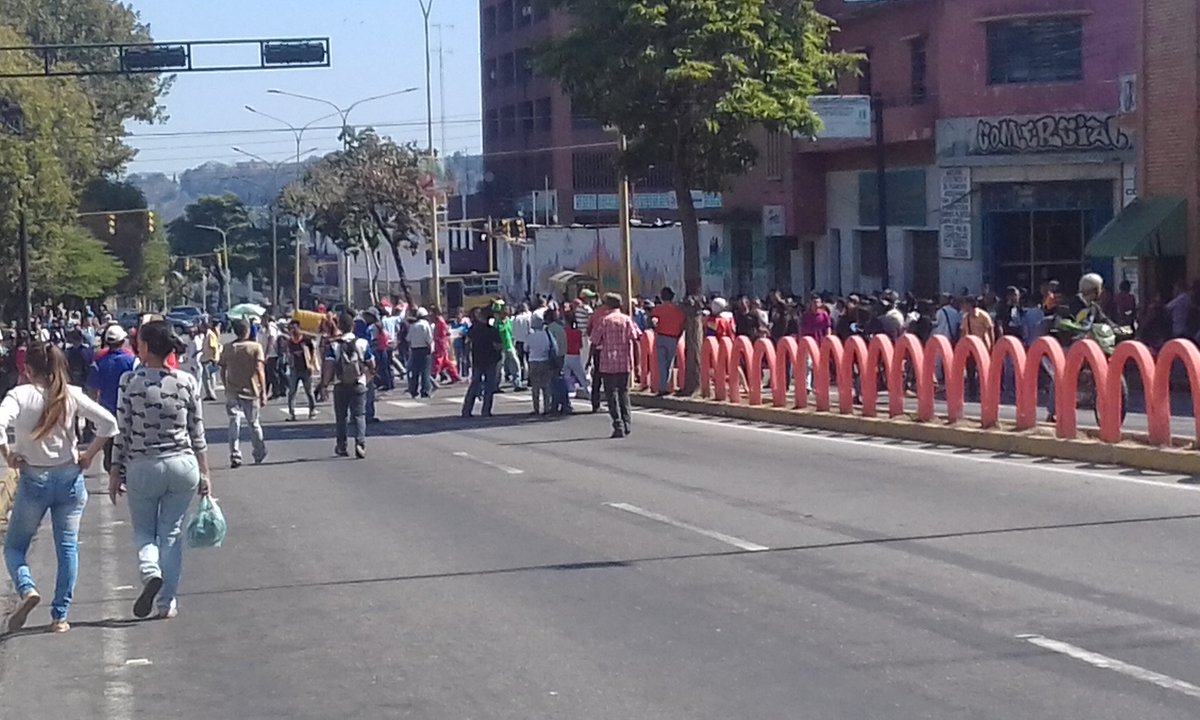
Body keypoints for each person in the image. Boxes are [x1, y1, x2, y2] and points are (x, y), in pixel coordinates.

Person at [1, 343, 118, 633]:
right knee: (67, 547)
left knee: (15, 547)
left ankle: (27, 588)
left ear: (26, 370)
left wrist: (8, 453)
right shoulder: (71, 394)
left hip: (34, 478)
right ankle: (60, 616)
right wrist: (89, 454)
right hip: (69, 477)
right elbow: (109, 423)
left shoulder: (19, 395)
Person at [108, 320, 211, 621]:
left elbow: (122, 429)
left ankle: (150, 571)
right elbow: (197, 432)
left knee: (144, 531)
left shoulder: (130, 381)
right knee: (171, 533)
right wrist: (206, 472)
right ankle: (167, 602)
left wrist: (116, 469)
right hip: (183, 465)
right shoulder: (187, 381)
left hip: (143, 466)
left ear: (146, 347)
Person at [323, 312, 375, 458]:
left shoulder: (334, 345)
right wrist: (368, 378)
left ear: (339, 326)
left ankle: (341, 445)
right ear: (353, 326)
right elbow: (371, 363)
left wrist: (324, 385)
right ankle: (360, 443)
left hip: (340, 384)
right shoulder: (362, 343)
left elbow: (329, 366)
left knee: (341, 417)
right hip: (358, 383)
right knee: (359, 415)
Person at [590, 293, 642, 438]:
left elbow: (594, 342)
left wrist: (590, 360)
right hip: (624, 361)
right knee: (624, 393)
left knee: (611, 394)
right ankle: (627, 423)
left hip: (607, 362)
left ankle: (618, 424)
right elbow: (636, 339)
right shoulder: (627, 320)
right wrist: (637, 363)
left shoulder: (604, 321)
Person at [87, 325, 137, 473]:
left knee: (109, 449)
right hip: (129, 412)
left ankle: (113, 477)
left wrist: (92, 416)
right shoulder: (132, 362)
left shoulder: (99, 363)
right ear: (122, 341)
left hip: (106, 413)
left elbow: (92, 390)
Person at [219, 319, 267, 468]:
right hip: (251, 390)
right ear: (247, 331)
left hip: (233, 390)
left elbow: (222, 369)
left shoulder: (228, 347)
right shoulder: (255, 347)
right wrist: (263, 391)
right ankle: (259, 451)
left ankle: (235, 453)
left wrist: (226, 385)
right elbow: (260, 370)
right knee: (254, 423)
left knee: (234, 422)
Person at [462, 306, 502, 418]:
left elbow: (467, 344)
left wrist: (467, 358)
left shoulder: (473, 330)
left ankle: (467, 410)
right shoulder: (492, 330)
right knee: (489, 386)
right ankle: (486, 411)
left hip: (477, 360)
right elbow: (498, 346)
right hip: (490, 360)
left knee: (474, 385)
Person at [650, 287, 685, 396]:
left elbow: (652, 321)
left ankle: (662, 387)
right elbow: (682, 325)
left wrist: (655, 328)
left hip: (661, 336)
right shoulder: (678, 311)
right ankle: (667, 385)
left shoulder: (658, 309)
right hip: (673, 338)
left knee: (661, 363)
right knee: (669, 364)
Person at [285, 320, 319, 421]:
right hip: (294, 369)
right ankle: (292, 413)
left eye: (294, 328)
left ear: (299, 328)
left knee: (309, 392)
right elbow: (288, 353)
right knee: (292, 392)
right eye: (291, 328)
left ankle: (312, 411)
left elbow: (313, 351)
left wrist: (312, 364)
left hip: (305, 369)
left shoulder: (306, 340)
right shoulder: (290, 341)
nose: (292, 330)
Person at [524, 313, 558, 416]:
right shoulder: (547, 334)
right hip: (545, 360)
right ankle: (547, 407)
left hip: (533, 361)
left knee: (535, 387)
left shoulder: (530, 336)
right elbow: (555, 347)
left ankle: (536, 408)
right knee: (546, 386)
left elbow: (525, 348)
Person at [407, 307, 435, 398]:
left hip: (414, 350)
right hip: (424, 349)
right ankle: (425, 390)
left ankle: (413, 390)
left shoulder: (412, 325)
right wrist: (430, 348)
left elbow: (408, 339)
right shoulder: (425, 324)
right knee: (425, 371)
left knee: (415, 372)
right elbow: (429, 338)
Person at [199, 320, 222, 401]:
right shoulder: (206, 335)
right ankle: (210, 393)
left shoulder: (210, 335)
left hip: (209, 359)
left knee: (207, 378)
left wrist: (214, 358)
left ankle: (211, 394)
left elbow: (214, 347)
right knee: (208, 377)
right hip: (206, 358)